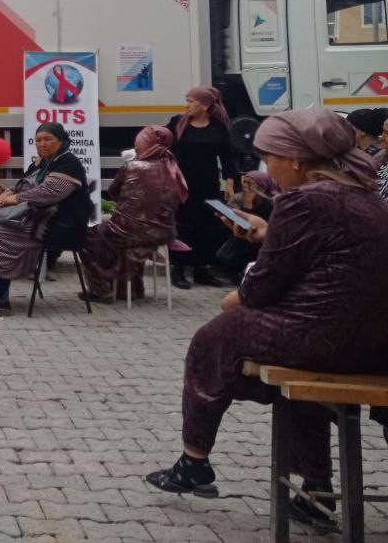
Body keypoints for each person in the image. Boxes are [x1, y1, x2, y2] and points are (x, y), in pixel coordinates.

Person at [145, 109, 388, 520]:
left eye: (269, 157)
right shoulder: (365, 196)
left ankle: (194, 459)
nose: (267, 169)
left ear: (295, 159)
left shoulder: (304, 200)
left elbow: (262, 288)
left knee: (215, 336)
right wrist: (267, 233)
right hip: (373, 345)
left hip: (321, 338)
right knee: (295, 380)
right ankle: (313, 491)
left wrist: (236, 296)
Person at [0, 122, 93, 314]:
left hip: (53, 225)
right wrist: (3, 197)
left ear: (61, 141)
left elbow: (49, 193)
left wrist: (12, 199)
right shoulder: (42, 163)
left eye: (48, 139)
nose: (42, 144)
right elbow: (22, 186)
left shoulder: (68, 163)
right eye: (38, 140)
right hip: (28, 218)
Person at [79, 126, 185, 304]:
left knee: (87, 236)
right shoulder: (173, 168)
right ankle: (131, 289)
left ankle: (101, 290)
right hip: (163, 234)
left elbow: (113, 192)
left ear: (147, 145)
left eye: (138, 143)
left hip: (128, 233)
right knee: (124, 235)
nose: (136, 147)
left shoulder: (132, 167)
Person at [167, 87, 240, 289]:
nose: (187, 105)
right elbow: (163, 147)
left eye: (191, 101)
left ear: (205, 105)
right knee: (183, 225)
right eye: (187, 100)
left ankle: (201, 269)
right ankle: (178, 268)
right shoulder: (177, 123)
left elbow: (227, 156)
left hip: (208, 184)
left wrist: (230, 182)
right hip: (182, 184)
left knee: (207, 226)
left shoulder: (218, 127)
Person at [214, 169, 277, 283]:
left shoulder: (271, 202)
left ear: (262, 188)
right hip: (239, 233)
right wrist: (247, 203)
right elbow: (241, 221)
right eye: (244, 182)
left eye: (250, 183)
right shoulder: (238, 198)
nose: (245, 186)